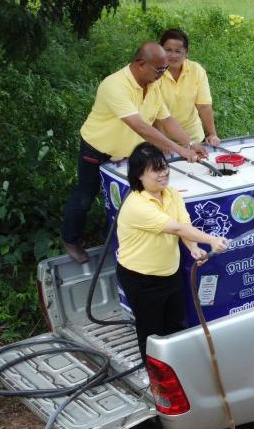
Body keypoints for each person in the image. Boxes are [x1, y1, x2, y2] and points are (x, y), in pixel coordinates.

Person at [62, 42, 208, 264]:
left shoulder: (153, 83)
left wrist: (189, 143)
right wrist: (179, 149)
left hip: (128, 152)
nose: (163, 75)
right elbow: (140, 127)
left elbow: (165, 119)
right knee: (85, 196)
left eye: (165, 69)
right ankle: (71, 240)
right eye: (160, 70)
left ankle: (117, 236)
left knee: (129, 196)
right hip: (97, 149)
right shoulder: (115, 85)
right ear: (141, 64)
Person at [116, 142, 228, 361]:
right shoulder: (137, 206)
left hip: (170, 273)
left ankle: (177, 373)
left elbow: (183, 223)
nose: (164, 173)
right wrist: (212, 240)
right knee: (152, 333)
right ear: (139, 175)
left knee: (175, 325)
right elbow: (175, 228)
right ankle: (155, 379)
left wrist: (194, 248)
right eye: (156, 170)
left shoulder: (171, 194)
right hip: (141, 279)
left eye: (164, 167)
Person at [158, 28, 220, 148]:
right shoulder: (154, 72)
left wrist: (212, 134)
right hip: (162, 140)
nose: (173, 55)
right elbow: (154, 111)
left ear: (186, 52)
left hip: (193, 138)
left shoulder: (196, 70)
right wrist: (162, 142)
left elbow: (204, 105)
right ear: (160, 50)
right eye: (168, 50)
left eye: (178, 51)